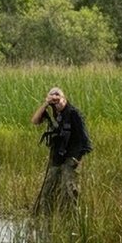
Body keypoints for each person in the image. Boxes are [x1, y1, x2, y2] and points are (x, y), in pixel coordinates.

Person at [31, 86, 92, 215]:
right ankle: (47, 216)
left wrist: (77, 158)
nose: (57, 103)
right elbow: (35, 121)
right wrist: (46, 104)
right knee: (48, 187)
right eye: (54, 101)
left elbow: (85, 140)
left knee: (69, 188)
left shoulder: (73, 113)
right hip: (58, 155)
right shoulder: (52, 112)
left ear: (64, 98)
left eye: (58, 99)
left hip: (72, 155)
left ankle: (73, 216)